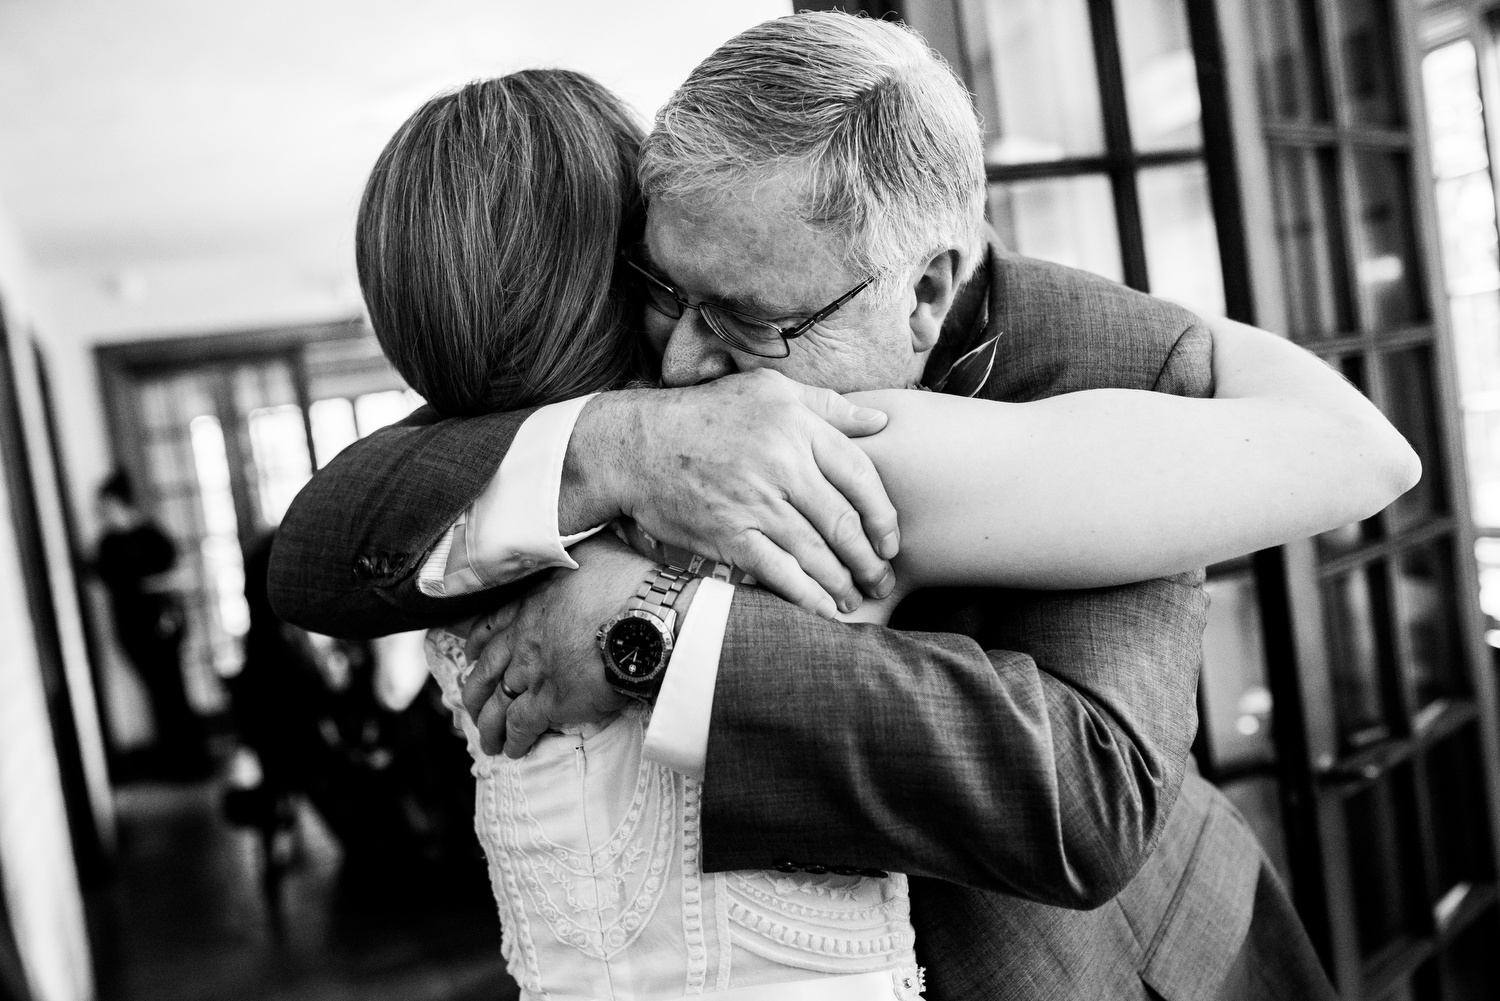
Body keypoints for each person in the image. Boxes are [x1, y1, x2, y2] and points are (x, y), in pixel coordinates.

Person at [271, 15, 1417, 1000]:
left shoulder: (1104, 368)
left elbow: (1081, 797)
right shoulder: (604, 404)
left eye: (749, 318)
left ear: (924, 290)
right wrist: (618, 445)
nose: (681, 366)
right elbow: (320, 549)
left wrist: (654, 641)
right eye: (666, 292)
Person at [94, 469, 211, 779]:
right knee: (158, 696)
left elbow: (182, 574)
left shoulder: (151, 536)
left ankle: (193, 761)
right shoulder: (108, 544)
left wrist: (147, 585)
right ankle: (175, 763)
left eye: (107, 507)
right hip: (132, 631)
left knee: (175, 691)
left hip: (162, 625)